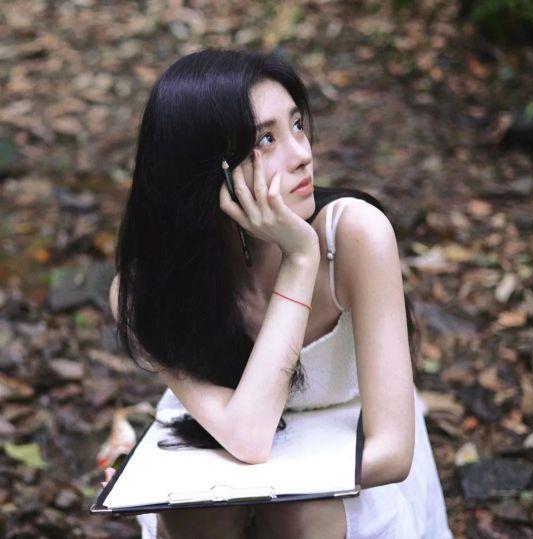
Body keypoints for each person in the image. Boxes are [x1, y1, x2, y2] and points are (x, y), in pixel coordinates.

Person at [105, 48, 453, 539]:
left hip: (349, 454)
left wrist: (303, 256)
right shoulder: (144, 292)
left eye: (297, 125)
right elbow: (247, 436)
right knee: (197, 517)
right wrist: (299, 263)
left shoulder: (355, 235)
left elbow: (393, 453)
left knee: (297, 517)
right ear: (204, 169)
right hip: (222, 449)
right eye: (266, 139)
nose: (302, 154)